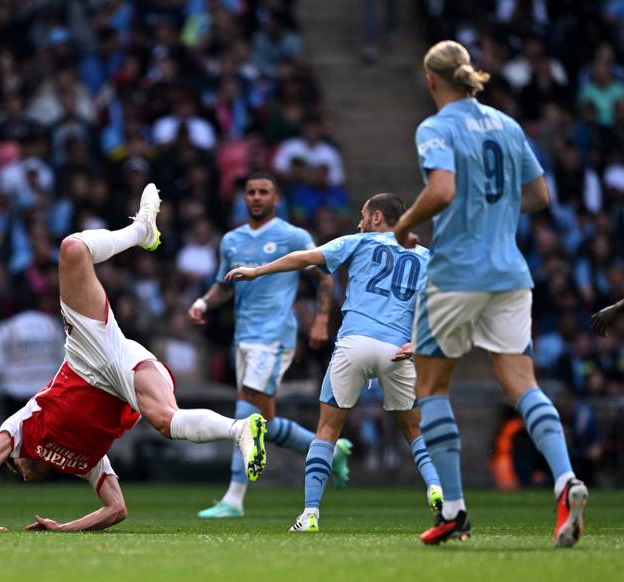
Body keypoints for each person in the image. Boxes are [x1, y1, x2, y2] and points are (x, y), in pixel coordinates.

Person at [0, 184, 267, 532]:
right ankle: (240, 430)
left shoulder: (23, 427)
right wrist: (63, 530)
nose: (22, 475)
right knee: (167, 422)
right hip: (120, 375)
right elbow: (117, 509)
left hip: (87, 357)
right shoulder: (85, 462)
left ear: (19, 458)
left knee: (72, 248)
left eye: (16, 468)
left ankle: (140, 230)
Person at [392, 40, 588, 547]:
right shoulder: (507, 124)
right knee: (523, 384)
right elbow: (541, 195)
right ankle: (566, 479)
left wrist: (405, 224)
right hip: (509, 274)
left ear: (432, 81)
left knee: (432, 388)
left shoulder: (435, 127)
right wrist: (495, 217)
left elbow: (442, 191)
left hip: (456, 273)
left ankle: (454, 510)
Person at [225, 193, 443, 533]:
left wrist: (257, 271)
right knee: (413, 430)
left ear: (375, 219)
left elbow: (302, 258)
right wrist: (418, 343)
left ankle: (310, 513)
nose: (358, 221)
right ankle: (435, 486)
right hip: (397, 348)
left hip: (354, 343)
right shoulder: (425, 257)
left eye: (362, 214)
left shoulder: (359, 241)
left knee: (327, 430)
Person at [188, 172, 336, 519]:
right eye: (251, 192)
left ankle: (234, 499)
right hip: (244, 337)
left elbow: (324, 275)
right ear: (245, 198)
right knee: (263, 421)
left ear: (276, 198)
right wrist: (204, 303)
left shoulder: (292, 235)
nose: (256, 197)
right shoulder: (232, 240)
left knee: (246, 416)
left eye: (263, 192)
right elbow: (223, 285)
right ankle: (331, 450)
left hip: (274, 337)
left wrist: (320, 319)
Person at [0, 296, 64, 416]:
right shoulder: (52, 325)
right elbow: (62, 360)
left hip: (15, 395)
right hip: (45, 395)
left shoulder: (6, 328)